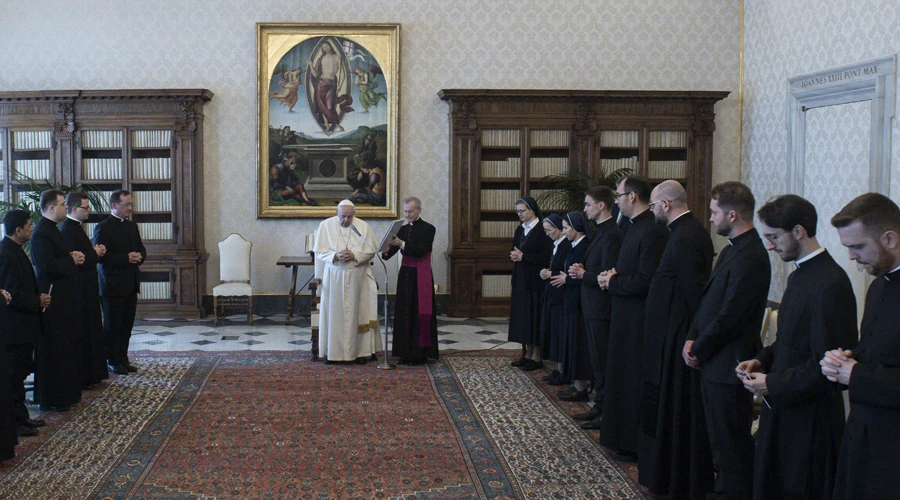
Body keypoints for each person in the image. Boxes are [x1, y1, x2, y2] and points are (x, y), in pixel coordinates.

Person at [735, 194, 857, 499]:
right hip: (785, 407)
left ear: (799, 231)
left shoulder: (831, 284)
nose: (770, 245)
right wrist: (761, 361)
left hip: (810, 423)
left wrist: (772, 383)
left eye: (775, 237)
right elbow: (789, 340)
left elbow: (828, 367)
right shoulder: (801, 274)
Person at [683, 181, 770, 499]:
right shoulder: (734, 250)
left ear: (732, 215)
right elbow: (708, 303)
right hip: (713, 362)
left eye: (714, 211)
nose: (710, 218)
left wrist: (699, 349)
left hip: (729, 365)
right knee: (718, 444)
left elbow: (731, 315)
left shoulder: (752, 256)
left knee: (732, 449)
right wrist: (691, 339)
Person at [637, 180, 715, 499]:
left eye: (654, 205)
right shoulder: (682, 233)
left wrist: (694, 336)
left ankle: (676, 479)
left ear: (666, 205)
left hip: (678, 335)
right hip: (669, 333)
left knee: (677, 410)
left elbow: (693, 292)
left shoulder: (686, 235)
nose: (652, 210)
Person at [820, 192, 900, 499]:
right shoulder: (879, 286)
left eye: (857, 246)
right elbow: (878, 350)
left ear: (890, 238)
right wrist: (844, 361)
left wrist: (856, 375)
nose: (851, 256)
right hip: (863, 434)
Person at [599, 176, 668, 461]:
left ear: (633, 196)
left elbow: (647, 280)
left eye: (618, 195)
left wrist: (612, 282)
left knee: (631, 379)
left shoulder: (652, 231)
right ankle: (622, 438)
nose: (615, 200)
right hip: (624, 316)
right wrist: (611, 276)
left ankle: (634, 442)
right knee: (620, 376)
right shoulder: (632, 228)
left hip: (638, 320)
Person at [567, 186, 622, 428]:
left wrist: (583, 274)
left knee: (602, 361)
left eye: (588, 204)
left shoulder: (612, 233)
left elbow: (608, 273)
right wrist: (583, 267)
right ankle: (598, 406)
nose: (585, 209)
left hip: (601, 307)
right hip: (591, 305)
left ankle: (604, 410)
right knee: (596, 361)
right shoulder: (601, 231)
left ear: (602, 205)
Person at [30, 189, 85, 411]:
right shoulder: (41, 233)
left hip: (64, 295)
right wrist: (72, 260)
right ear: (52, 208)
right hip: (52, 297)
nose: (65, 207)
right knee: (54, 347)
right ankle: (53, 397)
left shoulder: (53, 230)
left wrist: (72, 258)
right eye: (63, 204)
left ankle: (66, 393)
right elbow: (47, 266)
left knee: (66, 345)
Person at [0, 210, 48, 438]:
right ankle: (14, 422)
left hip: (24, 326)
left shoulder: (14, 250)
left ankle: (21, 416)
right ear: (18, 231)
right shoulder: (6, 254)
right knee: (13, 376)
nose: (31, 228)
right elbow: (10, 294)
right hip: (15, 328)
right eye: (29, 226)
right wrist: (36, 301)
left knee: (18, 376)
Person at [313, 199, 380, 363]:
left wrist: (355, 255)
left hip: (358, 276)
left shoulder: (363, 227)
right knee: (334, 315)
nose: (346, 220)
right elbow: (320, 251)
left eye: (350, 217)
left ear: (354, 214)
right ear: (337, 213)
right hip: (334, 277)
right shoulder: (326, 226)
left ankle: (360, 353)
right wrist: (335, 255)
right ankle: (334, 353)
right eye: (343, 217)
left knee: (359, 313)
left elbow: (371, 251)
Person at [94, 189, 146, 375]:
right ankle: (112, 360)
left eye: (131, 204)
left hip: (131, 283)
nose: (130, 208)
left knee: (127, 324)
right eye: (126, 205)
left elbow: (141, 248)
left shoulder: (132, 226)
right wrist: (126, 258)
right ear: (114, 205)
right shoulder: (103, 227)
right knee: (112, 325)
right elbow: (101, 257)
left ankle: (123, 357)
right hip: (112, 285)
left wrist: (140, 256)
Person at [60, 191, 109, 387]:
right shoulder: (67, 230)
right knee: (83, 331)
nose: (88, 211)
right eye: (85, 208)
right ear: (73, 209)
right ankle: (85, 376)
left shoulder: (76, 228)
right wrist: (95, 253)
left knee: (92, 329)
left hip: (88, 286)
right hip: (79, 288)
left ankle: (92, 374)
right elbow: (77, 260)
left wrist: (94, 253)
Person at [381, 196, 438, 365]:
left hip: (421, 275)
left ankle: (420, 354)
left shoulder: (429, 229)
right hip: (405, 275)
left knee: (419, 313)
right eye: (405, 211)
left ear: (419, 210)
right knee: (404, 312)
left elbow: (422, 250)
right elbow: (390, 252)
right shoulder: (402, 229)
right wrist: (385, 250)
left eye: (411, 211)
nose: (408, 215)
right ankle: (404, 353)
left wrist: (403, 244)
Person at [507, 196, 553, 370]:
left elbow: (547, 257)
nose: (520, 214)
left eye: (522, 211)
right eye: (517, 211)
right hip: (521, 280)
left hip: (535, 282)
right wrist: (513, 255)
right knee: (524, 319)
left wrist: (523, 257)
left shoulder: (542, 230)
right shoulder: (520, 230)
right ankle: (526, 353)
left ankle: (537, 355)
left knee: (534, 318)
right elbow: (514, 249)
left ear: (532, 210)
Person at [557, 212, 592, 402]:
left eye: (566, 228)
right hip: (570, 299)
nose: (564, 232)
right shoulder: (574, 245)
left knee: (578, 344)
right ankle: (575, 384)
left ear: (576, 227)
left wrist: (566, 278)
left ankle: (580, 387)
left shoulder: (584, 246)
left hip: (579, 302)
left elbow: (581, 274)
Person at [538, 214, 570, 384]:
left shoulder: (566, 245)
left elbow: (565, 271)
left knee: (559, 333)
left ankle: (562, 370)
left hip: (561, 295)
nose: (547, 234)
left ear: (558, 229)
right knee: (553, 332)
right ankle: (557, 369)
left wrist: (551, 274)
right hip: (553, 293)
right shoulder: (556, 245)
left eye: (549, 230)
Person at [309, 42, 352, 133]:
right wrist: (310, 65)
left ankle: (336, 124)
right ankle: (328, 126)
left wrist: (339, 86)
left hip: (331, 84)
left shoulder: (337, 57)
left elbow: (342, 73)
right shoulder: (321, 59)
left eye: (326, 46)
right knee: (322, 106)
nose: (325, 48)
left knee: (330, 106)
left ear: (330, 46)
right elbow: (316, 74)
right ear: (322, 49)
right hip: (320, 83)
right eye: (323, 47)